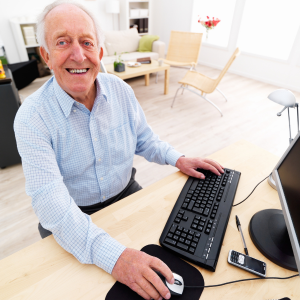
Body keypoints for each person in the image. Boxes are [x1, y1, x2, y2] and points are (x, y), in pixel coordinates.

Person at [14, 1, 224, 299]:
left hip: (126, 193)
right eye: (63, 42)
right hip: (73, 213)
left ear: (100, 53)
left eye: (87, 42)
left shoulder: (122, 91)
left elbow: (145, 140)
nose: (78, 54)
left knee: (172, 260)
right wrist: (116, 258)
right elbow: (50, 203)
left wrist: (178, 158)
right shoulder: (31, 118)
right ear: (46, 55)